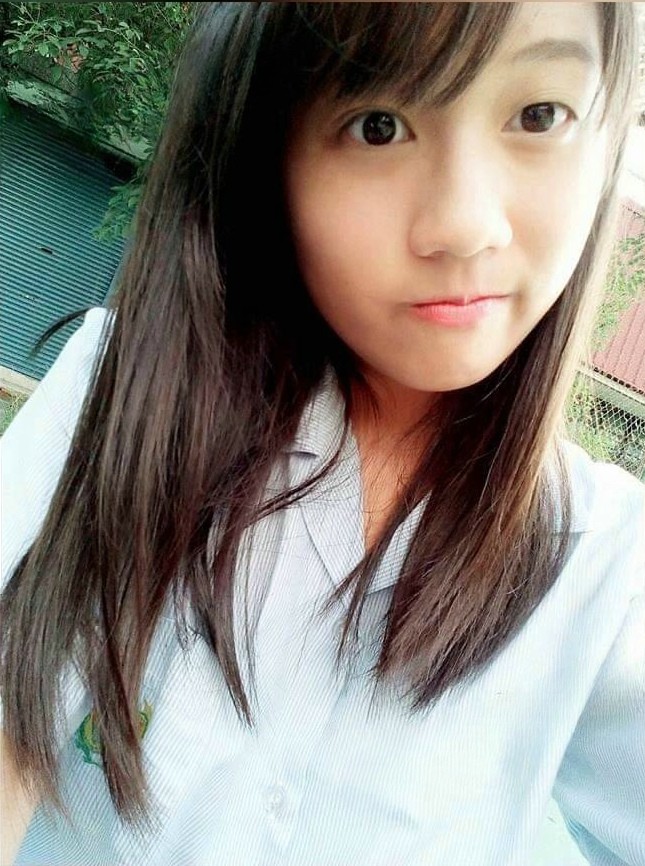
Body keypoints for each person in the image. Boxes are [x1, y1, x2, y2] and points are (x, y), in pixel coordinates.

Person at [1, 2, 643, 864]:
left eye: (538, 115)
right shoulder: (122, 401)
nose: (464, 226)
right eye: (377, 126)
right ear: (265, 152)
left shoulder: (605, 564)